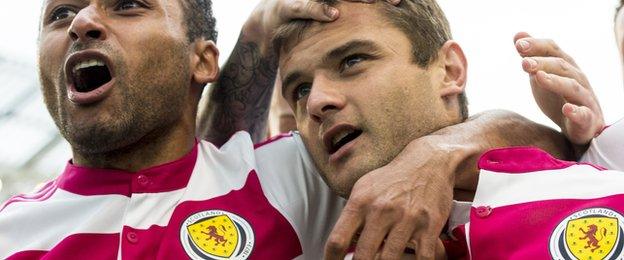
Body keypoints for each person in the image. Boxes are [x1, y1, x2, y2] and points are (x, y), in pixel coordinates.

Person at [0, 0, 567, 259]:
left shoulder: (288, 177)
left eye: (128, 6)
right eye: (58, 14)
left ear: (203, 61)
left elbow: (518, 140)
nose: (81, 22)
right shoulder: (9, 232)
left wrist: (435, 157)